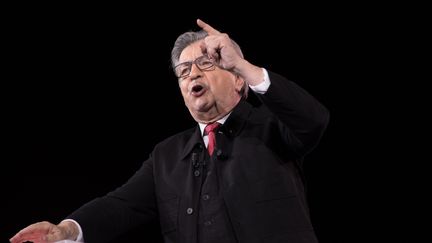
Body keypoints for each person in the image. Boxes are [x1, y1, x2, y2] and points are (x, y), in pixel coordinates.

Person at [10, 19, 329, 243]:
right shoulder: (166, 156)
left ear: (237, 79)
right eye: (183, 71)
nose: (192, 74)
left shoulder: (272, 127)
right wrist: (65, 230)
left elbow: (313, 119)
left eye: (207, 62)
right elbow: (121, 205)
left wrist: (243, 64)